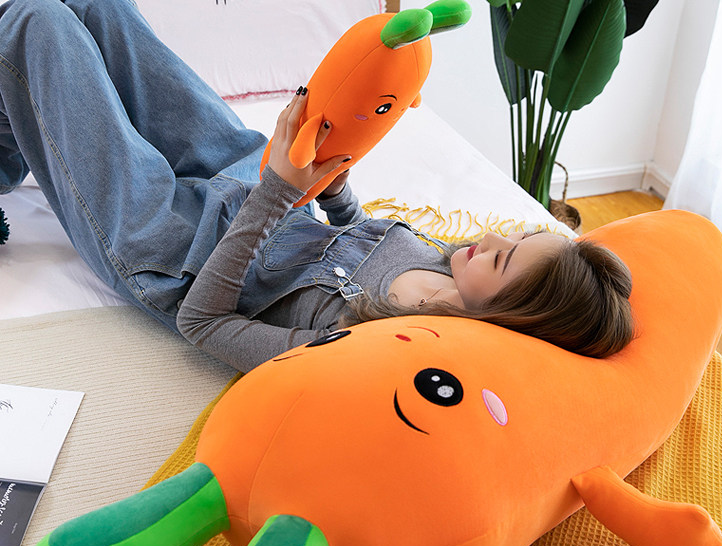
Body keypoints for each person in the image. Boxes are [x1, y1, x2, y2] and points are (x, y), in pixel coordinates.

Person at [0, 0, 634, 374]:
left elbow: (204, 324)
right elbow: (354, 235)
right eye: (514, 237)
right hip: (243, 178)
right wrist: (333, 187)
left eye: (502, 260)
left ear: (504, 318)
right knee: (92, 4)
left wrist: (277, 193)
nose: (490, 239)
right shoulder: (451, 267)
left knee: (35, 21)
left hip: (168, 245)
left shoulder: (367, 344)